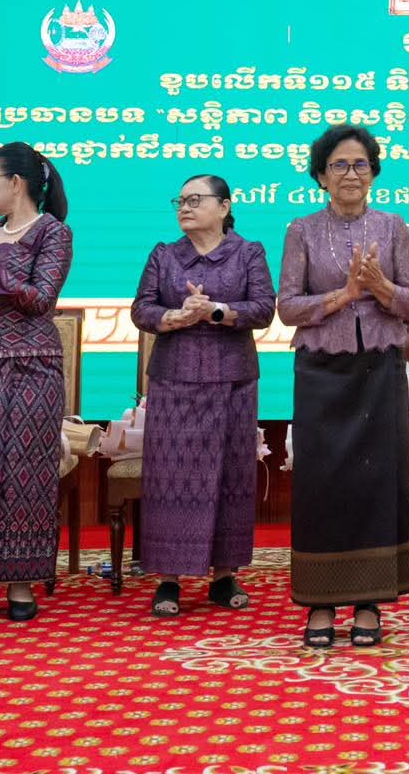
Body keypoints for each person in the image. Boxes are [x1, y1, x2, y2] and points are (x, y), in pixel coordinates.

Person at [277, 124, 409, 647]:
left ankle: (368, 602)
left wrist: (380, 287)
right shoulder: (301, 230)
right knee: (322, 485)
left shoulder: (392, 226)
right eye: (339, 165)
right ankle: (320, 603)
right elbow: (287, 306)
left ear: (374, 172)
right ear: (321, 176)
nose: (351, 174)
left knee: (373, 484)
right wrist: (344, 295)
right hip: (321, 371)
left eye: (361, 164)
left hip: (379, 370)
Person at [130, 175, 276, 617]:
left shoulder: (248, 252)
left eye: (196, 200)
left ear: (224, 206)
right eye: (181, 200)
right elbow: (141, 308)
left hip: (233, 380)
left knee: (231, 475)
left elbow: (264, 309)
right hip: (174, 379)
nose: (185, 207)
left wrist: (216, 311)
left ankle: (224, 576)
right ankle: (169, 579)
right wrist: (172, 317)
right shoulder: (164, 254)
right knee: (170, 479)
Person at [0, 143, 72, 623]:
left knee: (26, 472)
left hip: (32, 369)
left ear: (16, 182)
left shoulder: (53, 233)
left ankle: (21, 582)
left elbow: (41, 300)